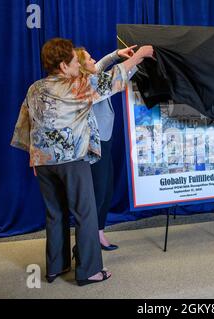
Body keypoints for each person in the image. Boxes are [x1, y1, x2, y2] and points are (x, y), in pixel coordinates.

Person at [11, 38, 153, 286]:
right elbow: (115, 80)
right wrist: (140, 55)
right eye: (75, 62)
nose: (79, 65)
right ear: (64, 66)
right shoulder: (77, 85)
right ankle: (89, 271)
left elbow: (26, 123)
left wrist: (33, 157)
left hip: (43, 163)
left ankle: (56, 266)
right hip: (71, 161)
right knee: (85, 214)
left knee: (55, 213)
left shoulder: (35, 88)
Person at [75, 45, 145, 251]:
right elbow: (115, 79)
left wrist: (116, 55)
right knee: (98, 192)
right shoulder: (87, 84)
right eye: (88, 59)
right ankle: (90, 239)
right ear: (80, 67)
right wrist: (137, 61)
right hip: (95, 145)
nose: (93, 60)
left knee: (106, 191)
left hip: (105, 140)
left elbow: (99, 66)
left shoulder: (90, 76)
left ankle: (98, 233)